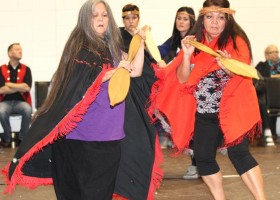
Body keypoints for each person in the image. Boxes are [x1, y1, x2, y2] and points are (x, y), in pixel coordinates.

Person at [2, 0, 146, 199]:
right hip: (82, 136)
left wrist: (140, 43)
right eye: (95, 15)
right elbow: (89, 78)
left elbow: (135, 70)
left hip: (110, 135)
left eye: (104, 15)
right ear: (85, 19)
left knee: (101, 193)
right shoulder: (80, 48)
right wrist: (114, 71)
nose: (100, 19)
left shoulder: (112, 48)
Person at [150, 0, 266, 199]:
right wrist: (186, 56)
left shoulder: (237, 41)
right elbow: (183, 79)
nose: (215, 22)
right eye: (210, 17)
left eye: (220, 17)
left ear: (228, 20)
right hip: (205, 112)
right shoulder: (195, 43)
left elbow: (244, 74)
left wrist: (228, 66)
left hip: (234, 109)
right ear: (202, 19)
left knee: (239, 154)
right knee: (203, 158)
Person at [113, 4, 163, 200]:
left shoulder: (144, 37)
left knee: (142, 132)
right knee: (131, 136)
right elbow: (132, 67)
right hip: (127, 89)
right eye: (127, 18)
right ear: (123, 19)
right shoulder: (117, 37)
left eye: (134, 17)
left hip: (142, 90)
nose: (131, 21)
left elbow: (151, 62)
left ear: (138, 18)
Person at [157, 6, 200, 180]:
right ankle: (198, 164)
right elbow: (158, 54)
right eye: (178, 18)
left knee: (193, 127)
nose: (180, 22)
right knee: (182, 124)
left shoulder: (196, 42)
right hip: (178, 94)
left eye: (184, 19)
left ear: (192, 22)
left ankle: (198, 164)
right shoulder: (174, 41)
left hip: (192, 92)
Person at [0, 43, 32, 148]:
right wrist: (19, 87)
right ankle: (7, 138)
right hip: (5, 103)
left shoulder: (26, 69)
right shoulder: (1, 69)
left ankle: (23, 139)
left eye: (21, 49)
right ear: (10, 53)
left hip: (21, 103)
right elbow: (1, 90)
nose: (20, 51)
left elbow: (27, 87)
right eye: (17, 49)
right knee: (0, 110)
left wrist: (8, 84)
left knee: (27, 110)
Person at [256, 44, 280, 140]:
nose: (274, 54)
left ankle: (273, 133)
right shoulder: (261, 66)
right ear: (266, 55)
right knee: (263, 102)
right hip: (268, 97)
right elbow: (258, 81)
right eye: (271, 52)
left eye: (276, 52)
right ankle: (269, 133)